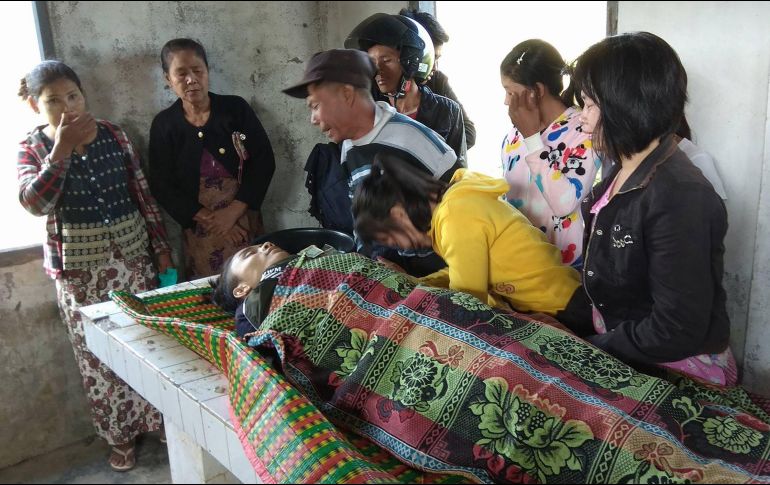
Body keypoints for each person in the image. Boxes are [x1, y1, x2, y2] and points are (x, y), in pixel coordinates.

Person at [205, 240, 770, 484]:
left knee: (555, 359)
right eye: (247, 260)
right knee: (522, 401)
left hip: (462, 322)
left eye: (258, 246)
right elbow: (286, 342)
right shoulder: (267, 310)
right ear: (243, 291)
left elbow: (392, 287)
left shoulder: (327, 257)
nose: (262, 251)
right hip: (412, 355)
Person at [16, 60, 172, 471]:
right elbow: (35, 203)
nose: (67, 107)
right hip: (79, 273)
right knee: (95, 357)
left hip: (132, 259)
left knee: (147, 343)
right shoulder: (31, 148)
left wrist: (161, 247)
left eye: (74, 96)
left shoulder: (115, 134)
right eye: (53, 100)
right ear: (35, 105)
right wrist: (61, 150)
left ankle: (158, 421)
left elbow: (141, 193)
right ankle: (119, 438)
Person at [568, 32, 735, 386]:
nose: (580, 118)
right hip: (624, 339)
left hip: (673, 362)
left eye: (588, 104)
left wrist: (595, 348)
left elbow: (676, 328)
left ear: (624, 104)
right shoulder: (620, 165)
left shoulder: (680, 196)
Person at [283, 48, 462, 276]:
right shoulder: (349, 148)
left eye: (315, 106)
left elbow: (463, 210)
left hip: (436, 280)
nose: (313, 119)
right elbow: (363, 220)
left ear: (347, 94)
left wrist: (416, 276)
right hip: (387, 279)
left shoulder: (411, 139)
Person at [352, 153, 581, 317]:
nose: (400, 247)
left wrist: (412, 300)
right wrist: (416, 283)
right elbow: (463, 269)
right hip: (552, 299)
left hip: (561, 306)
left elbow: (467, 301)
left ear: (399, 215)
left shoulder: (455, 216)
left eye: (391, 240)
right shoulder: (453, 206)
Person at [149, 38, 275, 279]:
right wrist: (213, 220)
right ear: (168, 79)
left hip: (244, 219)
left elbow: (263, 161)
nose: (191, 79)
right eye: (181, 73)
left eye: (198, 70)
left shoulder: (235, 109)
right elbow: (161, 185)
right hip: (202, 229)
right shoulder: (165, 125)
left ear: (207, 71)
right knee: (211, 292)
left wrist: (233, 213)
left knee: (254, 283)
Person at [500, 39, 600, 268]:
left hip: (562, 267)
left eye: (510, 91)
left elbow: (564, 204)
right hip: (518, 260)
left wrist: (533, 138)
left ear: (537, 91)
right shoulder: (513, 136)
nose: (506, 101)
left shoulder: (585, 131)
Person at [345, 13, 467, 165]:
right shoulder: (366, 114)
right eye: (372, 62)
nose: (378, 69)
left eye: (387, 60)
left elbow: (458, 176)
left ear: (410, 62)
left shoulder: (448, 112)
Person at [398, 8, 476, 149]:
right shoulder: (377, 88)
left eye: (437, 58)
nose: (434, 67)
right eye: (430, 58)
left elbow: (469, 133)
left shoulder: (438, 81)